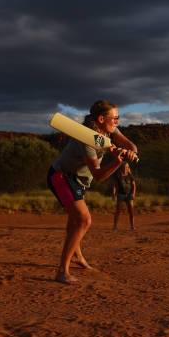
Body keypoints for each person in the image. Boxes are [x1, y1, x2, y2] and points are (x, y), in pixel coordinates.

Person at [47, 100, 137, 284]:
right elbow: (98, 175)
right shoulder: (86, 138)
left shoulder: (110, 130)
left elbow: (131, 146)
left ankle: (76, 256)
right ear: (102, 119)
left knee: (75, 220)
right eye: (115, 118)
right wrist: (118, 162)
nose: (117, 122)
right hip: (62, 176)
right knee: (83, 219)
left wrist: (129, 155)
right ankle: (62, 271)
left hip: (78, 180)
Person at [112, 163, 136, 231]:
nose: (125, 168)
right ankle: (115, 227)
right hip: (120, 194)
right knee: (118, 211)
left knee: (131, 211)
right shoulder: (118, 175)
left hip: (129, 195)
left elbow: (134, 185)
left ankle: (132, 226)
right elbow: (115, 185)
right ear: (121, 167)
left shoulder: (130, 175)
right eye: (124, 167)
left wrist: (133, 193)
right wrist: (113, 193)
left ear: (128, 168)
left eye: (127, 167)